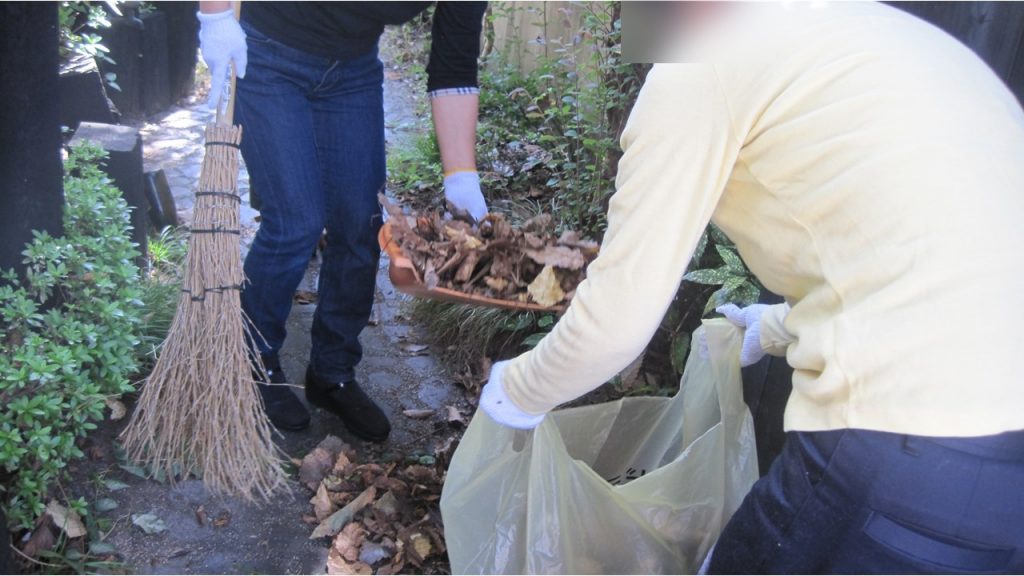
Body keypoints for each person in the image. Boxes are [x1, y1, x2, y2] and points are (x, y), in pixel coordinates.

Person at [478, 2, 1024, 573]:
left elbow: (616, 322)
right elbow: (930, 255)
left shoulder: (702, 63)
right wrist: (780, 327)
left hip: (908, 444)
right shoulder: (874, 33)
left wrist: (514, 394)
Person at [197, 1, 488, 441]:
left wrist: (462, 178)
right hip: (269, 50)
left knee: (360, 225)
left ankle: (332, 373)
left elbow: (455, 61)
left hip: (352, 71)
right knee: (296, 222)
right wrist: (215, 16)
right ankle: (254, 360)